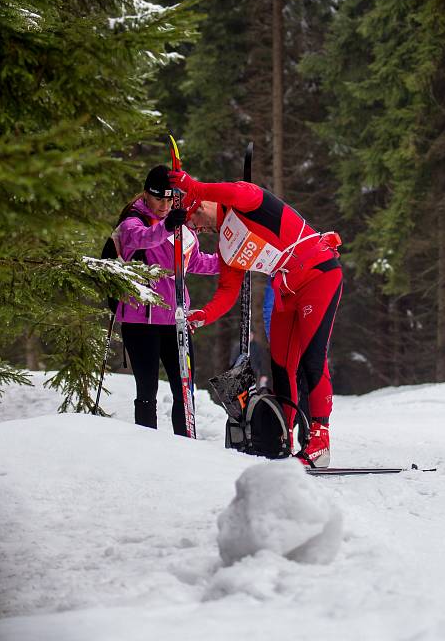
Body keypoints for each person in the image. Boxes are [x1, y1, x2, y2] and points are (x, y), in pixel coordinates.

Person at [169, 170, 342, 466]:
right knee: (280, 364)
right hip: (286, 288)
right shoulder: (227, 244)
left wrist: (194, 186)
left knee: (313, 358)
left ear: (198, 205)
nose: (196, 229)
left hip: (318, 274)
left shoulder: (242, 201)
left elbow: (234, 192)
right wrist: (204, 315)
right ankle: (283, 437)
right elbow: (227, 291)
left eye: (192, 222)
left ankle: (319, 440)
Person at [114, 165, 219, 435]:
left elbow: (193, 262)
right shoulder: (132, 222)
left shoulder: (180, 223)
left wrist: (230, 263)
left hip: (176, 318)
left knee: (184, 387)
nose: (163, 205)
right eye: (158, 198)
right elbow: (143, 239)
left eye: (169, 199)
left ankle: (184, 444)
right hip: (141, 319)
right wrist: (168, 225)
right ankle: (148, 449)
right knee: (147, 389)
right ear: (147, 195)